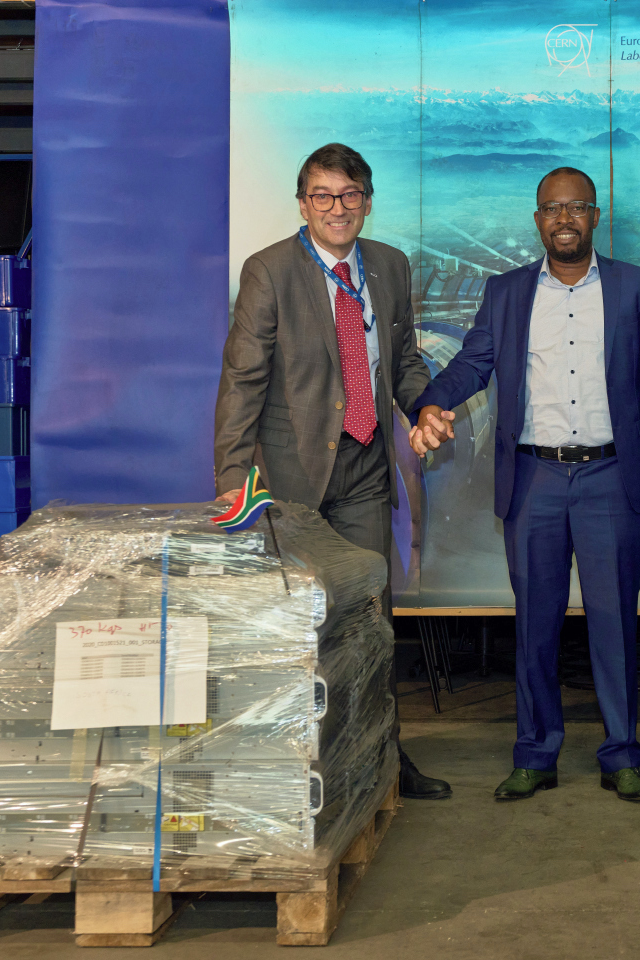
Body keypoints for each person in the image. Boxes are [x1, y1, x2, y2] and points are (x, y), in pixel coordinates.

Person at [407, 167, 640, 803]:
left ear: (595, 216)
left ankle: (621, 755)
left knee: (613, 623)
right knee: (535, 625)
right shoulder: (508, 292)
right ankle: (534, 753)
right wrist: (432, 404)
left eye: (577, 207)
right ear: (537, 218)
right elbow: (473, 364)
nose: (565, 219)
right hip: (535, 479)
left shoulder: (635, 287)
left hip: (609, 477)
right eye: (552, 208)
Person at [213, 142, 452, 800]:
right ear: (303, 205)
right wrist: (234, 483)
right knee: (298, 625)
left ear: (367, 204)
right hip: (292, 479)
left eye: (349, 196)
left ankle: (383, 760)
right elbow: (242, 383)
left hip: (366, 469)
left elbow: (402, 362)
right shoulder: (269, 272)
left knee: (371, 617)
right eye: (323, 196)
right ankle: (298, 770)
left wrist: (425, 406)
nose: (337, 209)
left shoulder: (390, 267)